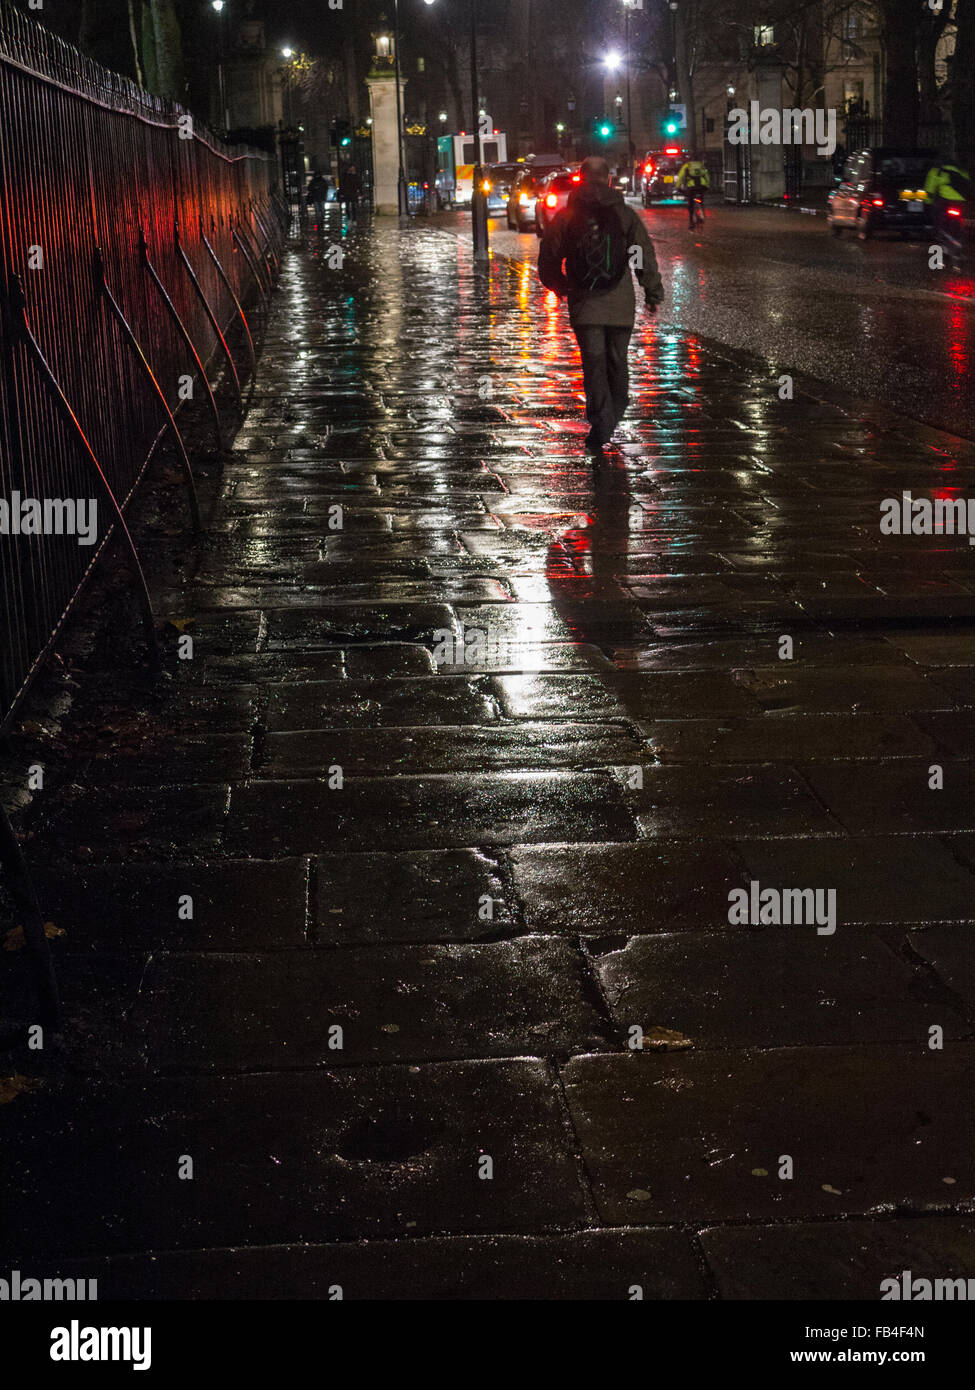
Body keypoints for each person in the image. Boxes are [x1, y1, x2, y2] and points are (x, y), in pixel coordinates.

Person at [538, 155, 664, 454]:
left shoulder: (567, 216)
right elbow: (642, 255)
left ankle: (600, 424)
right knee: (617, 363)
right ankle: (611, 418)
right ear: (609, 179)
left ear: (581, 178)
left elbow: (548, 258)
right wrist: (653, 293)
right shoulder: (624, 215)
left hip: (585, 306)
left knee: (594, 365)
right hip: (620, 306)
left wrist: (561, 286)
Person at [924, 156, 970, 268]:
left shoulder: (937, 170)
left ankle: (940, 235)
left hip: (945, 200)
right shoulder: (961, 170)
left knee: (937, 217)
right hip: (960, 201)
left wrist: (928, 202)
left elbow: (929, 188)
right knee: (960, 221)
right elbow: (968, 186)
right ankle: (959, 242)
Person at [676, 155, 710, 228]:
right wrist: (707, 185)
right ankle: (702, 212)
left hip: (692, 186)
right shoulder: (701, 165)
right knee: (700, 199)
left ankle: (691, 221)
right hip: (702, 185)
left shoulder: (687, 165)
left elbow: (681, 176)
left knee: (691, 204)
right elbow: (707, 175)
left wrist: (678, 187)